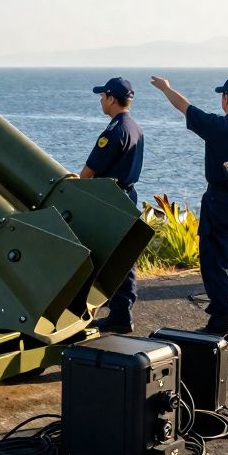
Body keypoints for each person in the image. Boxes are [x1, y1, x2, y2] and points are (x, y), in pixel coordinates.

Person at [150, 75, 228, 341]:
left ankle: (219, 320)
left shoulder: (218, 126)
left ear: (225, 99)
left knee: (214, 262)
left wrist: (166, 88)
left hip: (218, 201)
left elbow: (185, 106)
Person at [82, 76, 144, 333]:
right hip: (128, 195)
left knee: (106, 256)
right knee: (123, 257)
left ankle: (117, 313)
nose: (100, 101)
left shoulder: (114, 131)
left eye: (102, 96)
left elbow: (89, 172)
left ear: (111, 98)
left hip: (111, 198)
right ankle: (121, 311)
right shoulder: (135, 127)